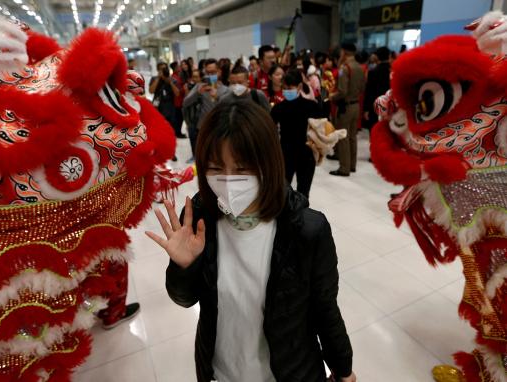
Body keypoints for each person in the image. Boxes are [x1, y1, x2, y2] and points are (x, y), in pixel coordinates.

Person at [145, 99, 355, 382]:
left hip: (290, 372)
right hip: (220, 371)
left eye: (243, 169)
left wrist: (343, 369)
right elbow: (185, 299)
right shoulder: (199, 220)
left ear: (268, 163)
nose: (229, 182)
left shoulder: (307, 230)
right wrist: (183, 267)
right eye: (217, 168)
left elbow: (325, 309)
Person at [271, 69, 324, 198]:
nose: (287, 90)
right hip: (285, 154)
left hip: (306, 154)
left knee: (303, 192)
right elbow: (270, 130)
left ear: (299, 86)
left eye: (290, 87)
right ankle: (285, 216)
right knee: (282, 191)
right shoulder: (278, 108)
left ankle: (301, 216)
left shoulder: (312, 106)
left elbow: (321, 130)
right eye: (284, 88)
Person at [329, 43, 365, 177]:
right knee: (352, 137)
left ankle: (344, 168)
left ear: (343, 52)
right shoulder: (360, 67)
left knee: (343, 137)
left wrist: (332, 96)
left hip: (345, 106)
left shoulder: (345, 68)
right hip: (356, 106)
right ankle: (352, 165)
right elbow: (362, 88)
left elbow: (342, 91)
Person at [183, 58, 231, 130]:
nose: (210, 75)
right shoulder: (200, 86)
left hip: (220, 127)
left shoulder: (226, 90)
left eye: (213, 72)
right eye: (207, 73)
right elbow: (185, 103)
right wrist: (197, 93)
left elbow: (229, 108)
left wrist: (217, 97)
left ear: (219, 72)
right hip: (203, 127)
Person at [149, 62, 181, 137]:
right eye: (161, 69)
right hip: (158, 107)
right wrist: (158, 79)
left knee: (170, 129)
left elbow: (177, 94)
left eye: (164, 69)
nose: (163, 71)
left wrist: (170, 82)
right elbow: (151, 91)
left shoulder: (172, 79)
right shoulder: (154, 79)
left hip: (170, 108)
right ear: (157, 70)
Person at [363, 46, 391, 130]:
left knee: (375, 131)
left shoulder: (373, 72)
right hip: (391, 106)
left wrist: (366, 109)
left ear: (377, 57)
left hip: (375, 106)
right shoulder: (393, 71)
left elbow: (369, 92)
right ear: (389, 56)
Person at [183, 69, 202, 161]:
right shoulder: (189, 87)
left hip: (200, 118)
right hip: (190, 117)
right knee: (192, 138)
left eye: (197, 77)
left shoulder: (202, 89)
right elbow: (186, 102)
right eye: (193, 76)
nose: (195, 79)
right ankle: (194, 156)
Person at [170, 61, 188, 139]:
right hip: (177, 101)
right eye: (178, 67)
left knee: (180, 118)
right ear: (175, 68)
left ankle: (178, 132)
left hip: (181, 100)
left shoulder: (178, 76)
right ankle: (177, 132)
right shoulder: (173, 78)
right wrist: (183, 89)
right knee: (179, 118)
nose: (179, 68)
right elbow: (177, 90)